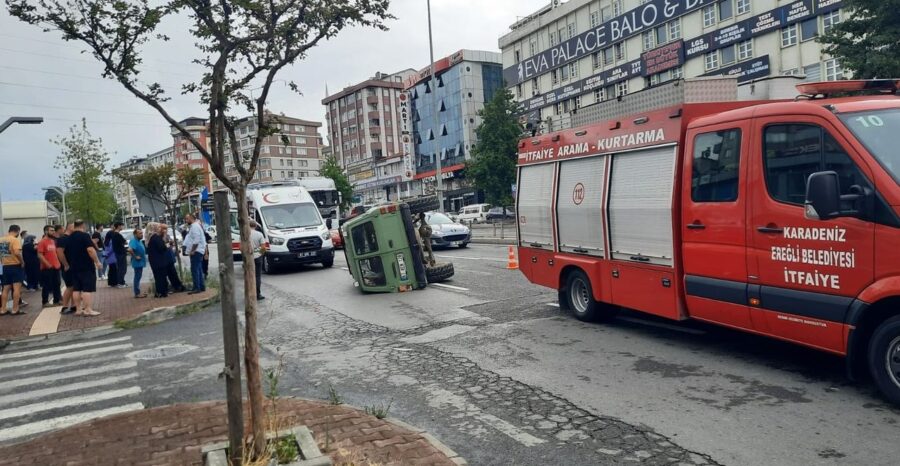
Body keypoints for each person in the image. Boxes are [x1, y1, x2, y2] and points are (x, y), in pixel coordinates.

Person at [68, 220, 101, 316]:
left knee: (76, 288)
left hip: (74, 266)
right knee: (87, 289)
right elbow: (90, 250)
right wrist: (97, 262)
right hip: (86, 266)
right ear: (83, 225)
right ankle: (88, 309)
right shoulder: (85, 236)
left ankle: (78, 309)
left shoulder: (70, 237)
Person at [0, 225, 25, 315]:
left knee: (5, 288)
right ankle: (15, 309)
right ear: (17, 231)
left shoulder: (1, 240)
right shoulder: (15, 240)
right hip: (15, 266)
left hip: (5, 266)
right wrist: (22, 262)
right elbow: (17, 252)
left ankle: (3, 309)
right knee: (16, 288)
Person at [37, 225, 62, 307]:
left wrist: (58, 263)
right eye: (51, 230)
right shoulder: (42, 242)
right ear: (46, 231)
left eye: (53, 230)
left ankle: (57, 300)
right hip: (47, 268)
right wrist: (48, 264)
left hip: (56, 266)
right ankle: (45, 302)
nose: (53, 232)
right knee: (47, 285)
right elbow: (40, 255)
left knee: (57, 284)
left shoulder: (52, 241)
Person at [182, 214, 207, 294]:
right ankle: (201, 286)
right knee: (198, 269)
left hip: (197, 251)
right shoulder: (194, 226)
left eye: (187, 219)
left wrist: (193, 250)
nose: (186, 220)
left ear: (192, 218)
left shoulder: (195, 227)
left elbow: (196, 239)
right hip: (198, 251)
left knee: (194, 269)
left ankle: (196, 287)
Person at [55, 224, 76, 314]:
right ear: (69, 228)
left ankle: (73, 305)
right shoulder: (63, 239)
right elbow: (60, 252)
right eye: (74, 226)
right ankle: (64, 306)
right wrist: (66, 264)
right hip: (67, 267)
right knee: (70, 287)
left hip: (72, 266)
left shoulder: (71, 238)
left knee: (74, 286)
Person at [105, 222, 127, 288]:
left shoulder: (114, 234)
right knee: (122, 268)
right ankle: (121, 282)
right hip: (120, 253)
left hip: (117, 253)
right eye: (122, 226)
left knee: (119, 268)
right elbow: (124, 241)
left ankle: (120, 282)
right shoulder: (117, 235)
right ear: (119, 226)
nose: (122, 227)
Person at [249, 220, 266, 301]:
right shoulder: (259, 234)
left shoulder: (244, 234)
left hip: (248, 258)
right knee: (257, 276)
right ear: (255, 226)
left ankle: (250, 294)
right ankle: (258, 294)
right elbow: (263, 247)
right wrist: (260, 254)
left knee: (249, 276)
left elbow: (240, 248)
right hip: (257, 257)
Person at [128, 228, 148, 298]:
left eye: (142, 233)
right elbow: (130, 249)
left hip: (140, 262)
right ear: (135, 234)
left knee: (138, 276)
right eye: (140, 233)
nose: (141, 234)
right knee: (137, 277)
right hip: (137, 262)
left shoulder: (138, 240)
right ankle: (137, 293)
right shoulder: (134, 240)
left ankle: (138, 292)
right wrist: (135, 256)